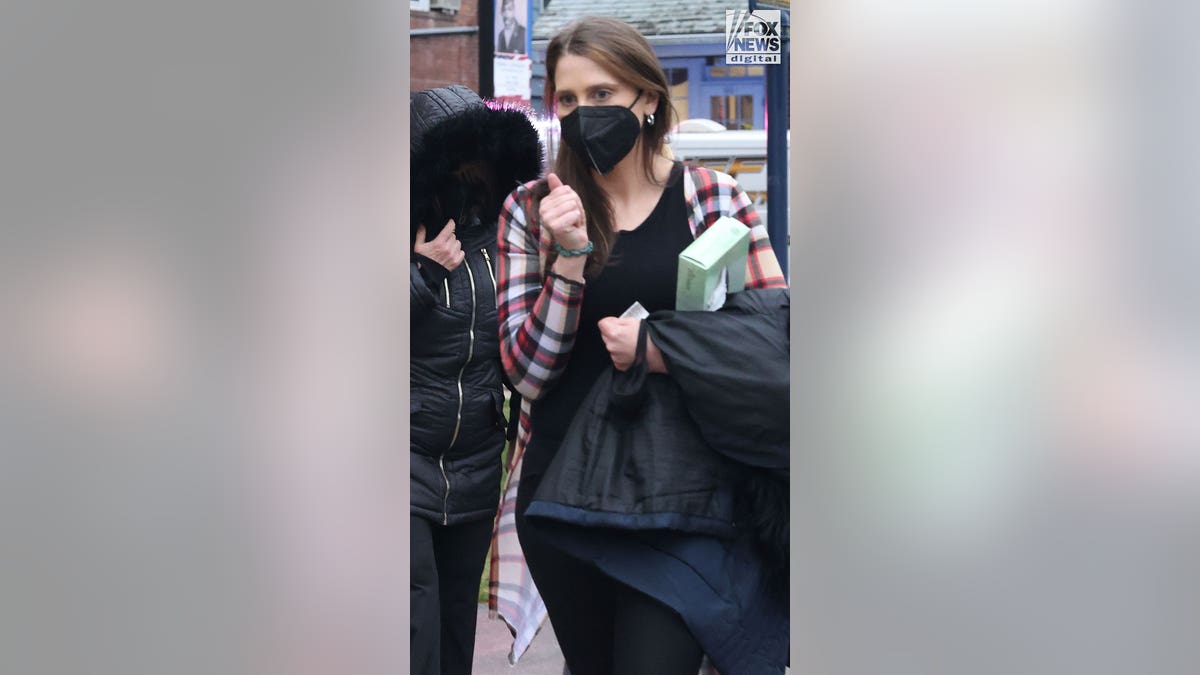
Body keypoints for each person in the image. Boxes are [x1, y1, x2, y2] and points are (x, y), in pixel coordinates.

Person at [494, 16, 789, 675]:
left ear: (648, 99)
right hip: (565, 494)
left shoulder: (713, 199)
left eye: (601, 95)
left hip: (685, 493)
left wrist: (660, 346)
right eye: (567, 100)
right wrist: (568, 261)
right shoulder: (533, 209)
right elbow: (527, 373)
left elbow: (774, 345)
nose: (582, 114)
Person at [409, 85, 542, 675]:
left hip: (476, 460)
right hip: (401, 456)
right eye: (458, 159)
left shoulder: (505, 240)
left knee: (457, 614)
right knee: (414, 619)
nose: (473, 174)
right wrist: (421, 273)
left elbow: (527, 338)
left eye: (480, 159)